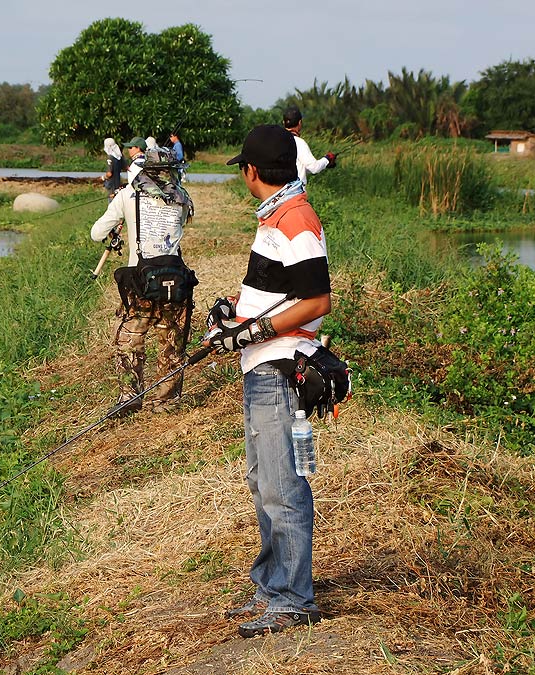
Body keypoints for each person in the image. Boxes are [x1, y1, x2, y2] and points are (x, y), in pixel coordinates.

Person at [207, 124, 331, 638]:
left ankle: (292, 601)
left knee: (283, 488)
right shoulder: (278, 213)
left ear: (250, 171)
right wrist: (234, 317)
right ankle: (271, 586)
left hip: (281, 367)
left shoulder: (295, 220)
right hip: (261, 363)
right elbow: (277, 291)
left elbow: (316, 301)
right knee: (263, 483)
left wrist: (250, 332)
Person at [91, 147, 195, 417]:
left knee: (129, 340)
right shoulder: (182, 198)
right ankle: (166, 402)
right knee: (171, 343)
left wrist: (120, 220)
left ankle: (130, 396)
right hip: (174, 282)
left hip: (140, 283)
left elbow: (96, 233)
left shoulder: (127, 195)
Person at [282, 105, 337, 186]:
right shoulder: (299, 142)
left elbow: (300, 167)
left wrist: (325, 165)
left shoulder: (277, 141)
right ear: (300, 122)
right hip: (295, 194)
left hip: (276, 195)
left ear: (283, 123)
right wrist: (327, 159)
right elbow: (314, 168)